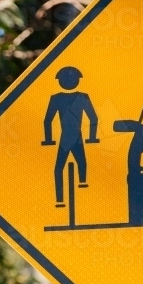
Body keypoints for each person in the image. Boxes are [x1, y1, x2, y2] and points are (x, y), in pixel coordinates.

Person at [42, 66, 99, 207]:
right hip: (75, 137)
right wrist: (92, 137)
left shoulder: (56, 99)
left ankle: (61, 199)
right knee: (81, 163)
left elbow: (47, 120)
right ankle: (81, 182)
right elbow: (94, 119)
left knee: (59, 168)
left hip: (65, 137)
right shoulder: (81, 97)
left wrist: (49, 139)